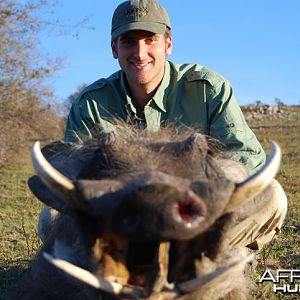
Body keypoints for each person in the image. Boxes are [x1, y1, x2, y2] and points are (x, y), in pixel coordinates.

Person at [42, 0, 287, 253]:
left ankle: (200, 255)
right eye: (128, 41)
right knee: (49, 218)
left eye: (150, 40)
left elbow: (246, 160)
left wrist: (195, 195)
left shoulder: (209, 89)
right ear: (114, 48)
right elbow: (74, 176)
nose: (139, 53)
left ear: (168, 44)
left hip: (195, 213)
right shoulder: (90, 103)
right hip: (121, 218)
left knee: (273, 197)